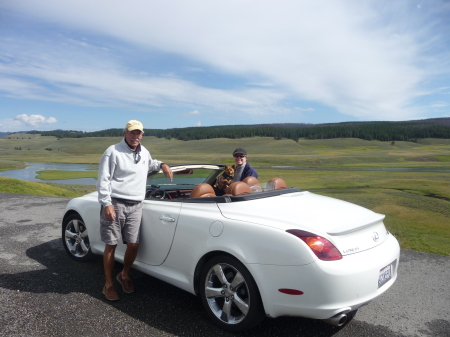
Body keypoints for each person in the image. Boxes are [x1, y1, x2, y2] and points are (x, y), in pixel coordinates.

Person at [97, 120, 173, 301]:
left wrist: (163, 164)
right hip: (115, 202)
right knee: (111, 244)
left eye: (138, 133)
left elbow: (151, 164)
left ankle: (124, 274)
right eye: (132, 133)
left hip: (136, 205)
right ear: (125, 133)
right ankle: (108, 285)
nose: (135, 136)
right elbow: (103, 179)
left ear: (142, 135)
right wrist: (106, 203)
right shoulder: (113, 151)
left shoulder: (143, 152)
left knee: (133, 244)